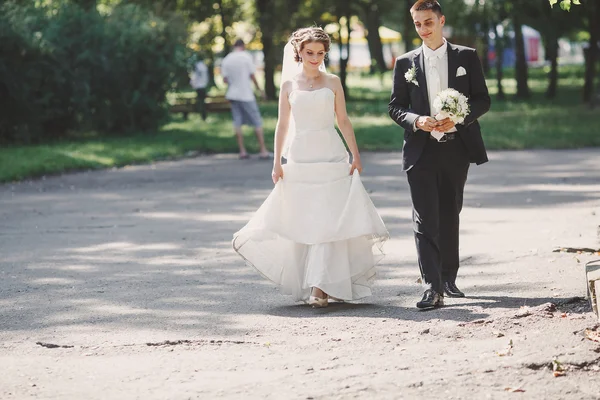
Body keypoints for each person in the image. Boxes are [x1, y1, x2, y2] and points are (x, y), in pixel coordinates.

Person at [232, 27, 389, 308]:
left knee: (330, 220)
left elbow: (343, 120)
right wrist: (276, 161)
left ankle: (321, 286)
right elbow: (282, 125)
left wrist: (356, 155)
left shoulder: (334, 82)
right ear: (299, 53)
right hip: (301, 158)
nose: (315, 58)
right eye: (309, 53)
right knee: (307, 220)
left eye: (320, 53)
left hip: (331, 156)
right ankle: (318, 283)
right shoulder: (289, 85)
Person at [389, 0, 491, 309]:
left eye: (428, 22)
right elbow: (395, 106)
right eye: (418, 24)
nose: (423, 29)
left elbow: (482, 100)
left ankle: (448, 277)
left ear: (441, 20)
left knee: (450, 213)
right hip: (420, 151)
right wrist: (416, 120)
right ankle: (431, 287)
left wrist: (460, 117)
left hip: (456, 148)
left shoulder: (466, 57)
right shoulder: (405, 62)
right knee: (425, 218)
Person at [220, 39, 270, 160]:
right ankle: (263, 150)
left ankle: (242, 151)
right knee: (257, 121)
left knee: (237, 123)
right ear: (243, 46)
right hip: (246, 94)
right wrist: (261, 91)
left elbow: (225, 80)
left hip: (232, 95)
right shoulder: (246, 57)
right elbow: (253, 76)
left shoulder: (227, 59)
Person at [190, 55, 209, 121]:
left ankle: (202, 115)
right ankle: (203, 116)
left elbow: (194, 76)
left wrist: (193, 83)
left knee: (200, 102)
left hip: (199, 86)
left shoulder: (197, 66)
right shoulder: (204, 66)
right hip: (203, 86)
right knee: (202, 101)